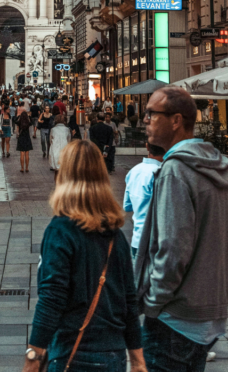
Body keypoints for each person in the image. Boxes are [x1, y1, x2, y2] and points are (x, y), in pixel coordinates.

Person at [135, 86, 228, 372]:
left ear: (176, 120)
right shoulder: (219, 167)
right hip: (209, 312)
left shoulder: (176, 170)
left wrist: (153, 303)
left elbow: (172, 249)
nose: (145, 120)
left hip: (175, 318)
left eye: (152, 114)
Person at [24, 140, 146, 372]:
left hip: (73, 354)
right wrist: (138, 360)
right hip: (113, 355)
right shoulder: (115, 236)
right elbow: (129, 300)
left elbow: (51, 299)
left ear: (64, 176)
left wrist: (33, 357)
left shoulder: (60, 231)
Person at [123, 143, 164, 260]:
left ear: (147, 146)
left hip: (137, 241)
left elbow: (127, 206)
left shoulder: (133, 171)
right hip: (157, 243)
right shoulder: (163, 173)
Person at [49, 114, 71, 179]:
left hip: (55, 151)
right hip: (64, 151)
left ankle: (57, 185)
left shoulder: (53, 129)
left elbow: (50, 141)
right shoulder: (67, 129)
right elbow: (69, 140)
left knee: (56, 171)